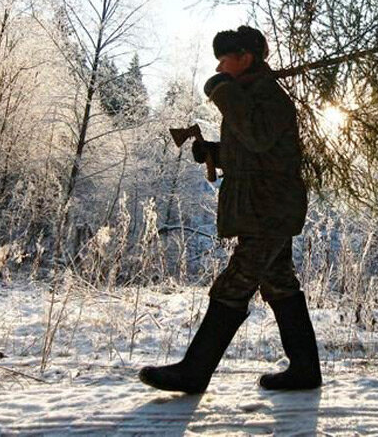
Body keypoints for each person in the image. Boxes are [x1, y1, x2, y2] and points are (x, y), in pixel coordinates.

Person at [138, 25, 322, 394]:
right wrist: (217, 154)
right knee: (279, 283)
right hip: (265, 206)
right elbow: (257, 152)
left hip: (268, 210)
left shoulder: (268, 96)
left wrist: (223, 93)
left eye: (224, 60)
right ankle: (304, 370)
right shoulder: (253, 94)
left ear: (245, 59)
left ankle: (194, 371)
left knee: (234, 283)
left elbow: (257, 136)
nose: (219, 68)